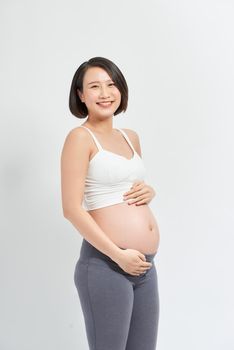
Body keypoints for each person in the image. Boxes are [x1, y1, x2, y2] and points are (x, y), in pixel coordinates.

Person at [60, 56, 161, 350]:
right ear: (81, 95)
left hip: (145, 266)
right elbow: (71, 209)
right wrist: (118, 255)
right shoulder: (80, 138)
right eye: (94, 86)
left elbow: (124, 186)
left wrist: (148, 192)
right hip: (106, 266)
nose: (105, 93)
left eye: (111, 84)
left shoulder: (130, 137)